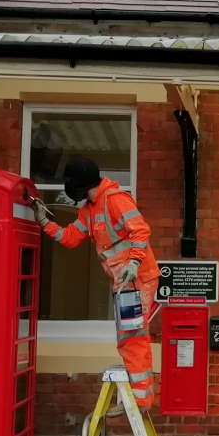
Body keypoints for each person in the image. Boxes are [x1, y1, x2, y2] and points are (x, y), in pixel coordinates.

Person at [33, 157, 161, 408]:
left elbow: (141, 230)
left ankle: (141, 400)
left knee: (132, 337)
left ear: (79, 184)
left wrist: (134, 263)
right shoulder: (90, 210)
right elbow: (70, 238)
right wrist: (44, 222)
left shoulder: (115, 199)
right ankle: (139, 396)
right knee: (129, 337)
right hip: (125, 282)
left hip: (137, 279)